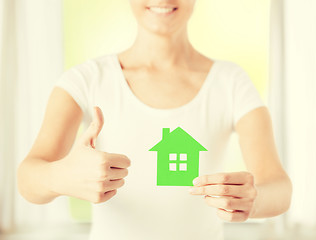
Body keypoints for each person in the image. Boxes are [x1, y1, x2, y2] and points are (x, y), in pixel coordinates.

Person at [17, 0, 292, 239]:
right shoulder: (86, 80)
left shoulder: (231, 82)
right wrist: (60, 176)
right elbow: (27, 180)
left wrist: (253, 199)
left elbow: (279, 188)